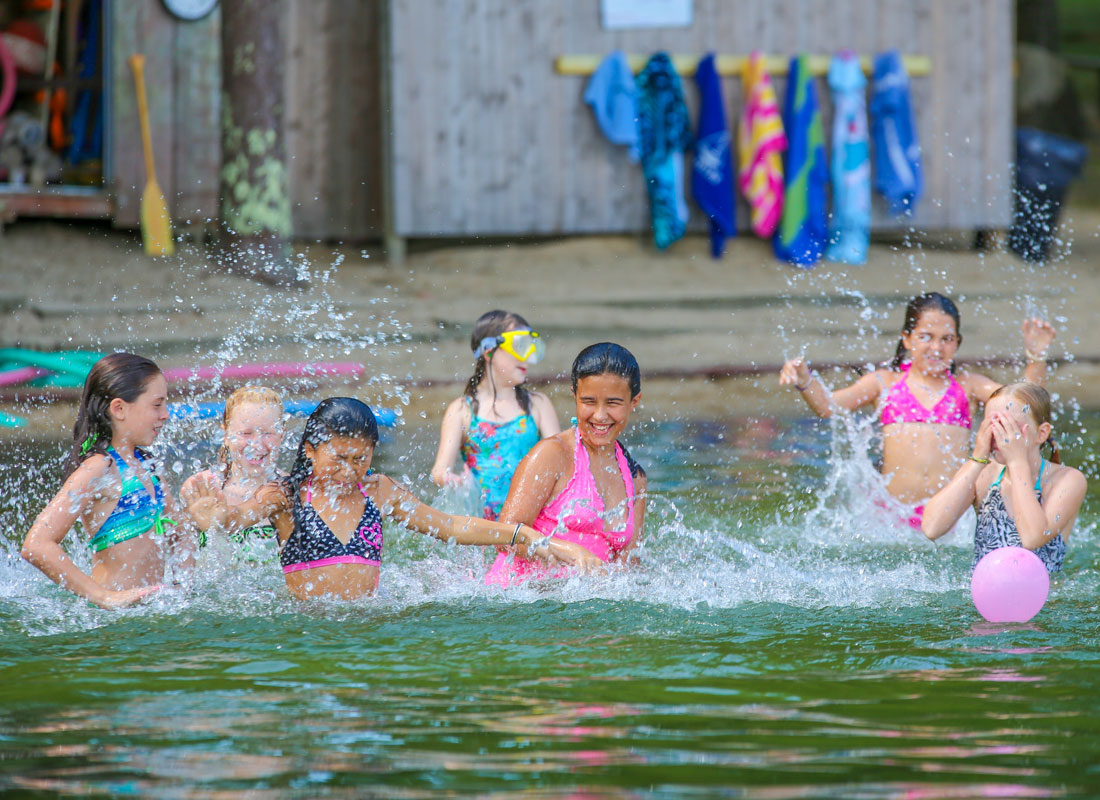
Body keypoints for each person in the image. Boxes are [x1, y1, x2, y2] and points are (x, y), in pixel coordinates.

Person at [257, 397, 598, 601]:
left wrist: (522, 534)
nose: (349, 471)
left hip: (370, 624)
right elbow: (232, 517)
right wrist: (209, 512)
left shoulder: (378, 492)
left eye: (360, 460)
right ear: (310, 450)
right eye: (339, 459)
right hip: (306, 627)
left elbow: (449, 525)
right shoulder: (285, 496)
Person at [779, 292, 1056, 526]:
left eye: (947, 339)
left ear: (957, 343)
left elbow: (1024, 404)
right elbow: (829, 407)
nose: (937, 347)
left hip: (952, 520)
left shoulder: (968, 386)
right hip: (891, 519)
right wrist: (805, 380)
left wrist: (1036, 357)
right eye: (926, 336)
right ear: (907, 339)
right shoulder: (884, 383)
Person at [21, 353, 191, 608]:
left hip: (150, 612)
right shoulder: (99, 469)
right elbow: (36, 545)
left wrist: (181, 587)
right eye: (157, 405)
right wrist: (104, 597)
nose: (166, 414)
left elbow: (180, 535)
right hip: (111, 621)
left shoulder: (148, 465)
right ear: (119, 409)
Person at [486, 343, 648, 587]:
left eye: (613, 403)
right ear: (575, 395)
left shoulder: (635, 478)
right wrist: (566, 551)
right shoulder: (553, 455)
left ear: (634, 401)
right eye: (589, 401)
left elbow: (629, 567)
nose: (600, 415)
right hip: (519, 604)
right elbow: (503, 535)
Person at [921, 382, 1086, 573]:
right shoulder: (985, 474)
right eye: (993, 425)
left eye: (1009, 427)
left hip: (1043, 599)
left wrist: (1017, 463)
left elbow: (1032, 538)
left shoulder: (1067, 480)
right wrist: (976, 460)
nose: (1000, 435)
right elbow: (932, 529)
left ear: (1041, 433)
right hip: (983, 596)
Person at [431, 310, 561, 520]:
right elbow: (439, 470)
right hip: (483, 527)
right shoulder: (461, 411)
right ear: (489, 351)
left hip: (531, 522)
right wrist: (453, 480)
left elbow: (562, 462)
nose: (526, 356)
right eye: (519, 346)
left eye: (530, 348)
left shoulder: (538, 406)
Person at [179, 386, 285, 562]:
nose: (256, 444)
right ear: (226, 434)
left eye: (268, 433)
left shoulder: (294, 491)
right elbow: (183, 565)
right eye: (245, 433)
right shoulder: (202, 487)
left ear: (282, 435)